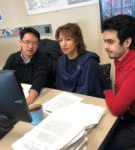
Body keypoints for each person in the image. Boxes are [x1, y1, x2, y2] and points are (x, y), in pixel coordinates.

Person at [101, 14, 135, 149]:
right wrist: (114, 95)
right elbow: (118, 89)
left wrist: (107, 91)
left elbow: (116, 108)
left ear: (127, 42)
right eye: (105, 41)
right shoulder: (119, 58)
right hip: (128, 114)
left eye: (110, 41)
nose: (105, 46)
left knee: (103, 142)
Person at [55, 23, 107, 98]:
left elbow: (91, 91)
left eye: (68, 39)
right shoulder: (60, 61)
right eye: (60, 40)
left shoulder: (90, 62)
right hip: (65, 101)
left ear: (77, 41)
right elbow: (59, 87)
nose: (63, 44)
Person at [3, 27, 49, 105]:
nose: (31, 46)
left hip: (36, 95)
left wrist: (28, 100)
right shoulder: (13, 58)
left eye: (35, 43)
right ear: (20, 42)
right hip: (18, 93)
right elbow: (4, 77)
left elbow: (40, 78)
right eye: (27, 42)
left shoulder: (42, 58)